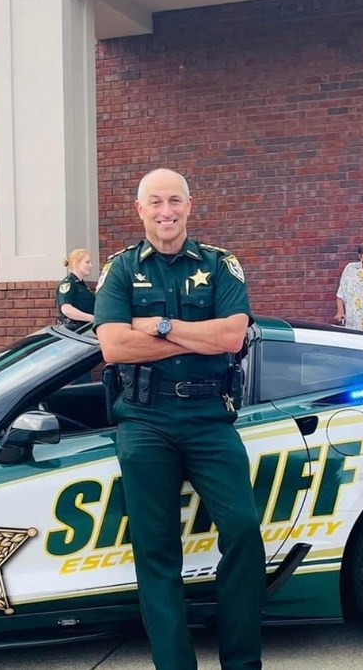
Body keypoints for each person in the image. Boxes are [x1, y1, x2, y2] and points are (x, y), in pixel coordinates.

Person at [94, 168, 263, 670]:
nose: (166, 211)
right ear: (139, 209)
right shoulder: (120, 269)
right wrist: (196, 334)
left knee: (243, 533)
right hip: (144, 422)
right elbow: (114, 345)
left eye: (174, 201)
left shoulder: (220, 265)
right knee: (157, 550)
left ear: (190, 205)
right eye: (155, 202)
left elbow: (232, 337)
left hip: (210, 417)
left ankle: (241, 663)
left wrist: (163, 327)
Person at [55, 248, 95, 326]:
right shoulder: (68, 284)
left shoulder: (82, 285)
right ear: (76, 264)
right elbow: (67, 310)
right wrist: (93, 318)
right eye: (87, 262)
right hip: (73, 331)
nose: (91, 265)